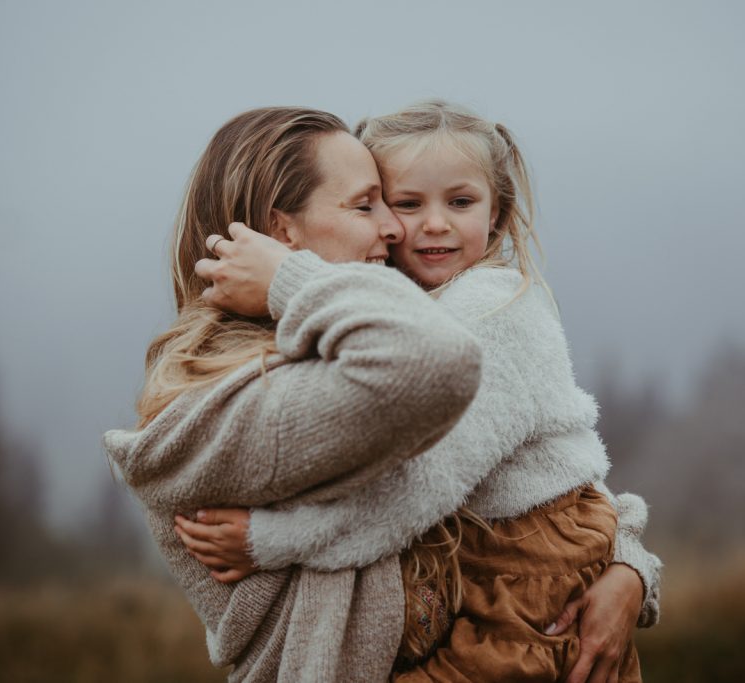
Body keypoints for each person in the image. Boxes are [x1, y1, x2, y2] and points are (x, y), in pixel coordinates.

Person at [173, 102, 661, 683]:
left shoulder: (491, 309)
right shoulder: (390, 315)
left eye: (460, 202)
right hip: (498, 564)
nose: (431, 224)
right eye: (403, 204)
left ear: (497, 214)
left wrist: (273, 540)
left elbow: (424, 485)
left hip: (529, 574)